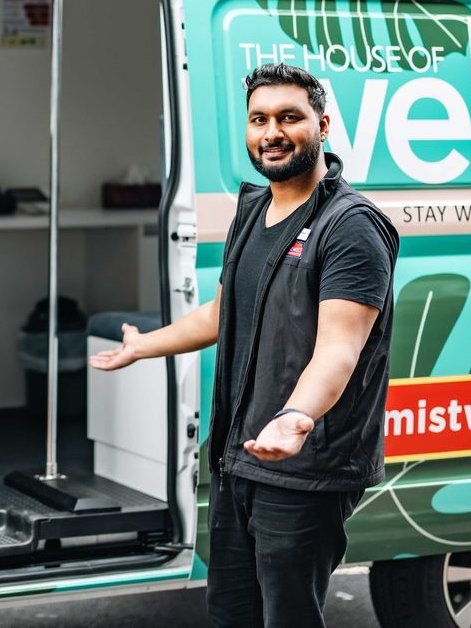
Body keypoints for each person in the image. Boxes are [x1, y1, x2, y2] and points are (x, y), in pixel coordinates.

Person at [90, 63, 398, 628]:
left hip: (305, 465)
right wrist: (145, 345)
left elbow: (339, 347)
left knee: (287, 616)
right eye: (259, 119)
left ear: (323, 125)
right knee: (232, 610)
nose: (271, 132)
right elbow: (222, 310)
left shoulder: (350, 226)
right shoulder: (254, 209)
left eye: (289, 117)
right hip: (241, 456)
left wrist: (297, 415)